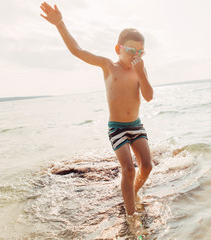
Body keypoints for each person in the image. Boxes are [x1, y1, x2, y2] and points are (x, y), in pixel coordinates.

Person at [40, 2, 153, 216]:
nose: (135, 55)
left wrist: (141, 72)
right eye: (130, 50)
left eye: (140, 52)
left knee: (146, 166)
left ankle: (132, 193)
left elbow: (148, 96)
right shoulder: (108, 66)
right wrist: (60, 24)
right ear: (118, 49)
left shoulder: (140, 69)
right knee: (128, 169)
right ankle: (131, 218)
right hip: (117, 128)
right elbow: (77, 50)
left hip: (136, 125)